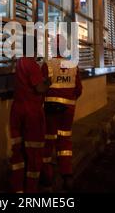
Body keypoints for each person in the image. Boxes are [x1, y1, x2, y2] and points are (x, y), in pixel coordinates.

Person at [9, 34, 51, 193]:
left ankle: (17, 188)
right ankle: (31, 191)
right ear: (34, 47)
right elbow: (39, 88)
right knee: (34, 152)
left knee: (18, 153)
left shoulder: (19, 62)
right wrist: (47, 82)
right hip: (31, 113)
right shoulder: (32, 65)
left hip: (17, 110)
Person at [40, 35, 82, 191]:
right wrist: (69, 99)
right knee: (64, 140)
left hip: (50, 108)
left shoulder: (47, 65)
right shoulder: (73, 65)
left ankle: (47, 176)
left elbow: (41, 87)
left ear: (53, 47)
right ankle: (67, 174)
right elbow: (78, 89)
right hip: (68, 109)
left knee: (48, 140)